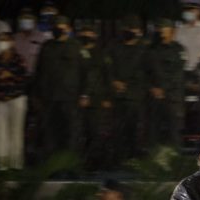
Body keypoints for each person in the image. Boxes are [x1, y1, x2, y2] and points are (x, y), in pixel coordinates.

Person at [32, 15, 83, 157]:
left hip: (69, 97)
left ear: (69, 29)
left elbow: (84, 71)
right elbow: (39, 71)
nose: (59, 30)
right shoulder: (46, 46)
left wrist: (84, 93)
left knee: (71, 131)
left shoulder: (76, 47)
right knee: (50, 132)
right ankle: (52, 161)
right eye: (56, 27)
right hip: (49, 96)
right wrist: (36, 94)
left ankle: (69, 162)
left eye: (62, 27)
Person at [108, 15, 149, 162]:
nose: (129, 31)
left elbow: (148, 72)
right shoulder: (114, 46)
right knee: (117, 128)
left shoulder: (144, 48)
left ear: (138, 31)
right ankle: (118, 158)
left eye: (132, 28)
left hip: (136, 95)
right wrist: (113, 82)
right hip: (118, 95)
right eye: (127, 28)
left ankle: (135, 157)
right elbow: (107, 67)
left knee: (136, 128)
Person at [0, 29, 28, 170]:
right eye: (0, 40)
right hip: (0, 100)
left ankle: (16, 165)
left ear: (12, 42)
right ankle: (2, 165)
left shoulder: (19, 59)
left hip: (17, 99)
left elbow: (25, 80)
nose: (2, 43)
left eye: (5, 40)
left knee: (16, 132)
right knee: (1, 133)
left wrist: (11, 75)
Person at [147, 18, 186, 148]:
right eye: (160, 28)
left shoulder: (178, 50)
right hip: (154, 96)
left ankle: (175, 156)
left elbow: (177, 74)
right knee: (154, 129)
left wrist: (163, 89)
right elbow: (147, 72)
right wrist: (152, 88)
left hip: (173, 96)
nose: (161, 31)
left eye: (164, 28)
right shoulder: (152, 50)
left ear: (172, 31)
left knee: (174, 130)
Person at [78, 21, 111, 171]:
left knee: (95, 131)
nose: (86, 36)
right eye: (84, 34)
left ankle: (96, 162)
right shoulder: (76, 52)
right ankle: (81, 161)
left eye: (89, 34)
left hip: (97, 99)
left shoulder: (101, 54)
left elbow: (107, 77)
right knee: (80, 131)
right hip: (77, 99)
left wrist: (107, 98)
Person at [175, 0, 200, 72]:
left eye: (191, 10)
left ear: (199, 12)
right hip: (183, 70)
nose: (188, 12)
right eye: (186, 10)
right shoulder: (180, 29)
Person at [13, 8, 50, 76]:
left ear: (34, 22)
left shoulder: (42, 37)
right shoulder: (15, 37)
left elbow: (46, 58)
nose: (26, 22)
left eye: (29, 19)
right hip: (16, 75)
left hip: (34, 75)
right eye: (24, 19)